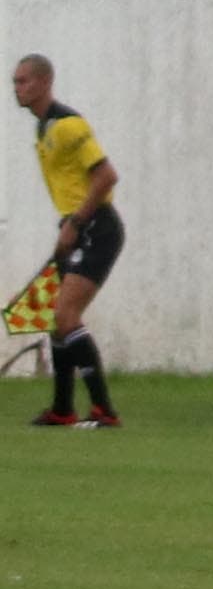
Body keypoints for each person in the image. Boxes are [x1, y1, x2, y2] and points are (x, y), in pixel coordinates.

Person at [17, 56, 120, 430]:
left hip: (96, 228)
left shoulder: (69, 125)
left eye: (24, 81)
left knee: (65, 316)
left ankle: (104, 411)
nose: (17, 88)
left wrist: (76, 222)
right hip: (75, 228)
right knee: (56, 320)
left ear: (45, 82)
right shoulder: (42, 128)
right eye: (15, 82)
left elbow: (106, 176)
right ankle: (62, 409)